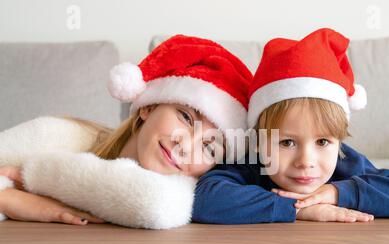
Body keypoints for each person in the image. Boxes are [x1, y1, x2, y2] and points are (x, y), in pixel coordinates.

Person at [192, 28, 389, 224]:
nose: (306, 161)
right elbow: (204, 200)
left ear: (338, 143)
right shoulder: (252, 162)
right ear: (259, 141)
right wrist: (300, 210)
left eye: (323, 142)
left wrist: (338, 194)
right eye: (287, 142)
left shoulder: (348, 165)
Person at [0, 34, 252, 229]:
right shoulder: (52, 135)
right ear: (148, 107)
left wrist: (38, 180)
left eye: (209, 147)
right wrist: (9, 201)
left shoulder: (187, 191)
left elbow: (154, 204)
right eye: (185, 117)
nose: (186, 146)